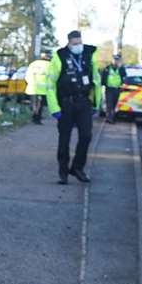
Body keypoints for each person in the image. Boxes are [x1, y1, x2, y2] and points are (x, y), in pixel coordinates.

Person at [48, 29, 97, 184]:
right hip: (66, 103)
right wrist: (54, 108)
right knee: (64, 139)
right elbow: (50, 84)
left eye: (80, 43)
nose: (78, 46)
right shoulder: (59, 56)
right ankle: (63, 172)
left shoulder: (89, 54)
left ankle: (77, 168)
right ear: (69, 43)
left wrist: (96, 102)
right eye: (75, 43)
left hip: (84, 102)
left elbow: (96, 80)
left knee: (86, 136)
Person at [25, 56, 48, 124]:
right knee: (40, 104)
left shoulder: (33, 64)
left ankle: (34, 116)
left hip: (32, 87)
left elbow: (27, 76)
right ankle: (37, 118)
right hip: (42, 89)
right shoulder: (48, 65)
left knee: (34, 103)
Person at [104, 54, 124, 122]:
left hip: (117, 89)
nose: (116, 61)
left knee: (114, 104)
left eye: (117, 60)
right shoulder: (107, 68)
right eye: (115, 60)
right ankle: (109, 118)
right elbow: (103, 76)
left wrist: (122, 86)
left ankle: (112, 117)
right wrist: (103, 85)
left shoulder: (121, 69)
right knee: (109, 103)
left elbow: (124, 78)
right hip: (109, 88)